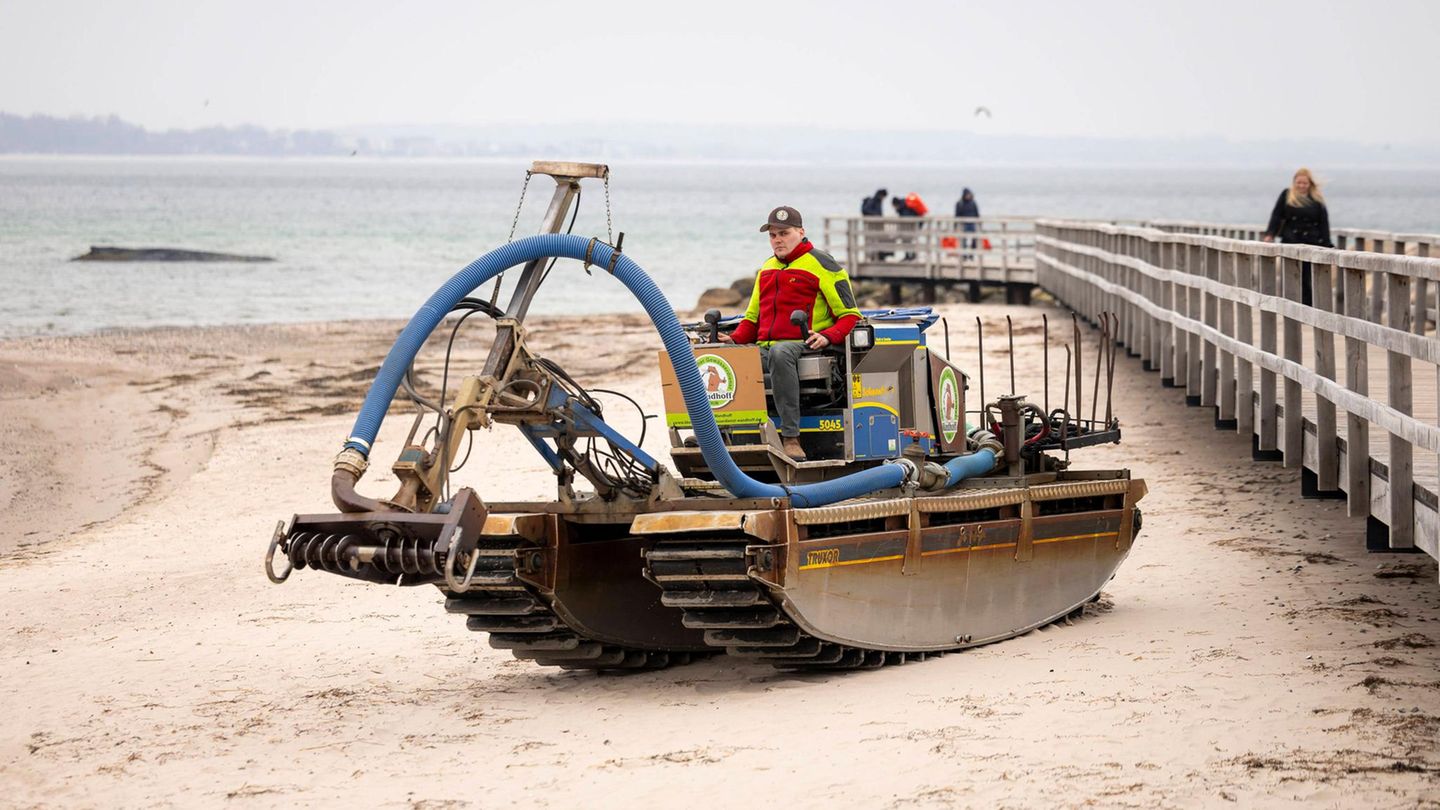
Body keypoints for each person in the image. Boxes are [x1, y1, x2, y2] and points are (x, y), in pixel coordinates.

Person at [720, 206, 861, 460]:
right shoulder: (766, 268)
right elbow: (752, 319)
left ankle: (791, 438)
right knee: (727, 357)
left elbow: (851, 315)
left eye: (784, 233)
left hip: (805, 344)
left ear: (801, 232)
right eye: (773, 235)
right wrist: (733, 340)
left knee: (780, 351)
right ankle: (720, 432)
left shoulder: (823, 264)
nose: (777, 240)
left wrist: (828, 336)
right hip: (767, 346)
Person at [1263, 168, 1333, 305]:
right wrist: (1269, 234)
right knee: (1290, 275)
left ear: (1310, 184)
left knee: (1307, 277)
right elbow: (1276, 215)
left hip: (1311, 242)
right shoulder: (1287, 194)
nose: (1301, 186)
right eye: (1298, 183)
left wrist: (1327, 243)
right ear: (1294, 182)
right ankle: (1290, 306)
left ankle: (1308, 307)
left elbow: (1323, 222)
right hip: (1290, 240)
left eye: (1304, 183)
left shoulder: (1317, 199)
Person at [860, 188, 889, 260]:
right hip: (874, 225)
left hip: (876, 225)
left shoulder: (877, 200)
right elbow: (866, 210)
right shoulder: (875, 200)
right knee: (875, 241)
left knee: (876, 241)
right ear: (882, 195)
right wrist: (876, 216)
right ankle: (875, 256)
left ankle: (877, 256)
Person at [955, 187, 979, 257]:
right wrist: (955, 226)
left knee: (975, 239)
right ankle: (964, 255)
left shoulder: (973, 203)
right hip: (964, 224)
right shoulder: (960, 203)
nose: (968, 196)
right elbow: (957, 215)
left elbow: (977, 214)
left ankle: (971, 254)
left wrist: (979, 224)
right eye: (967, 194)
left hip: (972, 223)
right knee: (963, 241)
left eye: (969, 194)